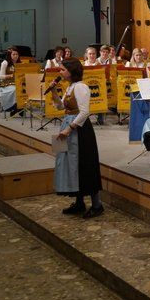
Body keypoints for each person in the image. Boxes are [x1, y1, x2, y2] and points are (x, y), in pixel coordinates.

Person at [49, 58, 103, 218]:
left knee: (85, 164)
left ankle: (97, 205)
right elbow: (61, 107)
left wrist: (69, 129)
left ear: (72, 71)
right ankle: (79, 202)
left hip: (80, 130)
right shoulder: (70, 86)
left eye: (63, 69)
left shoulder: (81, 87)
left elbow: (85, 112)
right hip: (69, 126)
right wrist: (53, 91)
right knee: (71, 165)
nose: (60, 72)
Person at [0, 46, 21, 114]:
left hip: (17, 83)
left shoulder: (19, 63)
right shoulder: (5, 63)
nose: (15, 56)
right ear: (10, 55)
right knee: (15, 90)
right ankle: (13, 107)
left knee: (24, 89)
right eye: (13, 54)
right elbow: (1, 76)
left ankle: (20, 107)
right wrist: (11, 76)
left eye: (17, 54)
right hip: (6, 84)